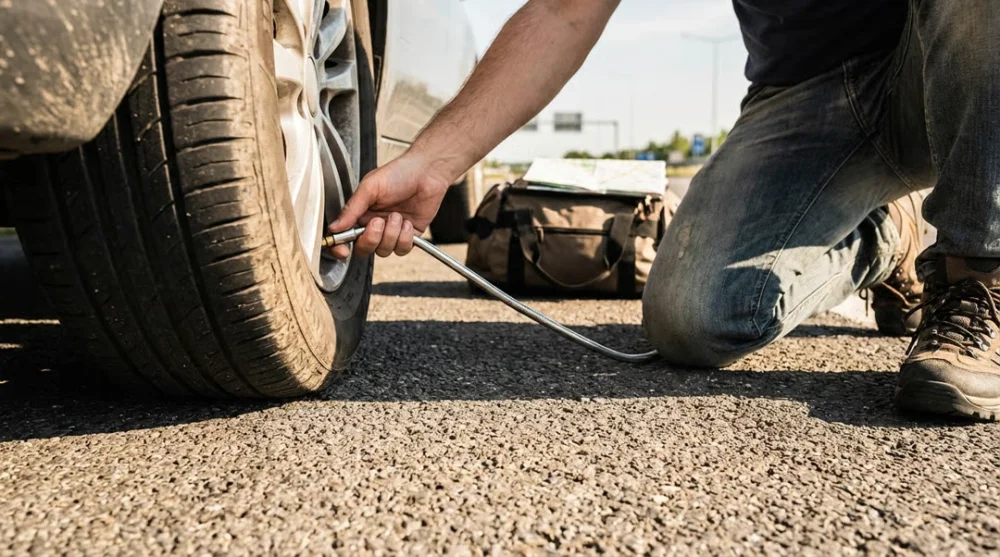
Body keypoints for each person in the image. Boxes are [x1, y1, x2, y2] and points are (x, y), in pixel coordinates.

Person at [329, 0, 1000, 421]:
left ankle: (978, 273)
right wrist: (435, 162)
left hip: (954, 59)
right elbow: (566, 11)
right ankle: (888, 235)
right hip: (810, 91)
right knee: (695, 318)